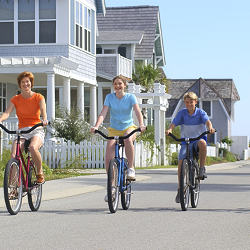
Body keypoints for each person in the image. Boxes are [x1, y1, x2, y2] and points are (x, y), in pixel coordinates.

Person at [90, 75, 146, 200]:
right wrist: (96, 126)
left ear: (124, 85)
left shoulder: (130, 97)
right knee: (108, 158)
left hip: (129, 128)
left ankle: (131, 168)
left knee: (127, 138)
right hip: (114, 129)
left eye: (120, 83)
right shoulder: (109, 97)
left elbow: (137, 112)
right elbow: (103, 113)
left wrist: (141, 124)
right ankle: (112, 187)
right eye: (115, 84)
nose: (118, 86)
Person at [165, 91, 215, 203]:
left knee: (203, 143)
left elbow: (208, 122)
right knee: (181, 162)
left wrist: (210, 128)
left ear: (195, 102)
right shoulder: (182, 113)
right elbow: (173, 124)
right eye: (186, 102)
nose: (189, 104)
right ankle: (180, 188)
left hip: (197, 140)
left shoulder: (201, 113)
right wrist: (169, 130)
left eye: (191, 102)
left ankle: (202, 168)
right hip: (186, 142)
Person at [0, 71, 48, 184]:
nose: (25, 84)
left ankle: (40, 172)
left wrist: (44, 119)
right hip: (22, 131)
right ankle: (14, 186)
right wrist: (1, 119)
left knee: (32, 147)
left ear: (31, 83)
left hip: (36, 129)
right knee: (14, 155)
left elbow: (43, 112)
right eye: (23, 82)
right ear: (19, 84)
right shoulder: (15, 99)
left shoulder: (38, 97)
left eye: (28, 82)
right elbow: (7, 113)